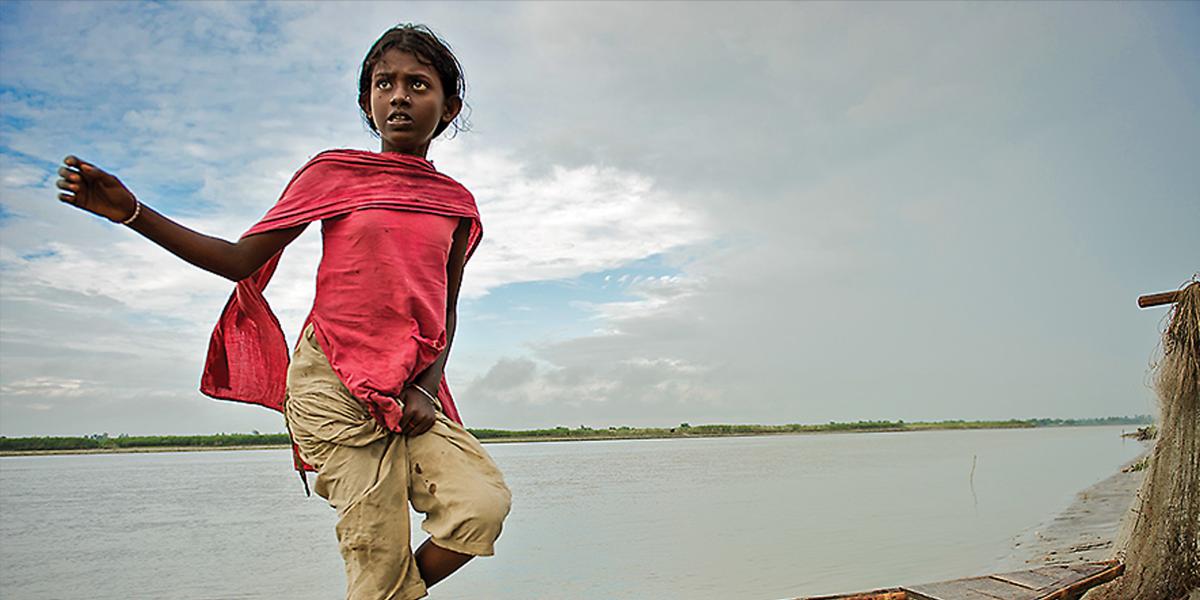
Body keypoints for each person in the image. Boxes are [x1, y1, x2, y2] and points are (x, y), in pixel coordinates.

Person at [54, 24, 511, 600]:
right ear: (368, 104)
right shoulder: (333, 175)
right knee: (378, 557)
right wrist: (132, 212)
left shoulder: (456, 204)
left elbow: (444, 310)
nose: (399, 95)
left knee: (480, 507)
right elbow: (237, 260)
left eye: (418, 84)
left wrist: (426, 385)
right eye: (383, 83)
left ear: (449, 107)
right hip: (332, 382)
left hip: (409, 390)